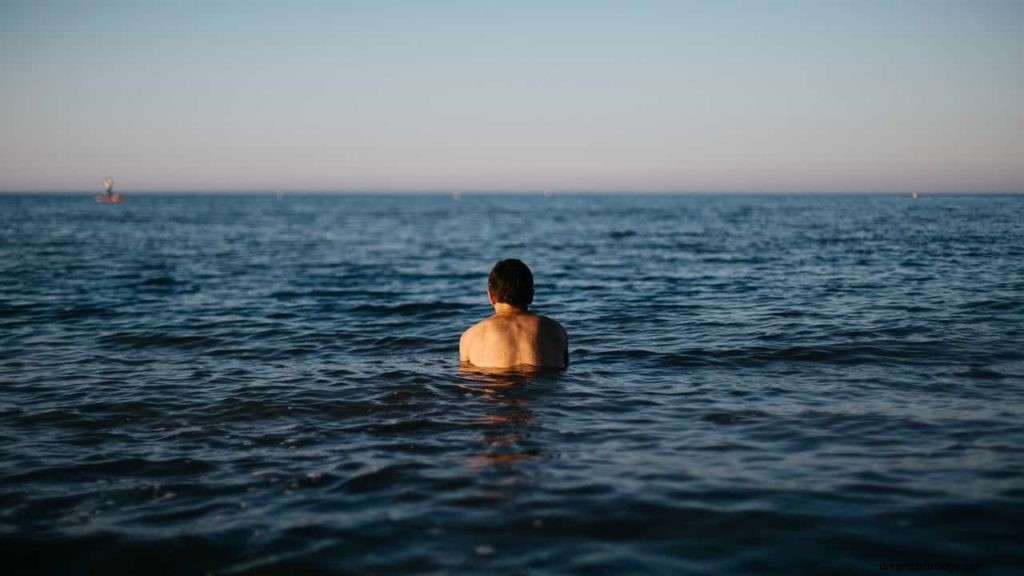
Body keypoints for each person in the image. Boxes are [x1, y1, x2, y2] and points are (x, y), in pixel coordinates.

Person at [460, 259, 568, 369]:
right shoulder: (557, 331)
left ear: (491, 297)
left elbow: (466, 381)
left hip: (496, 383)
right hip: (543, 384)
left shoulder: (470, 337)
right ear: (531, 295)